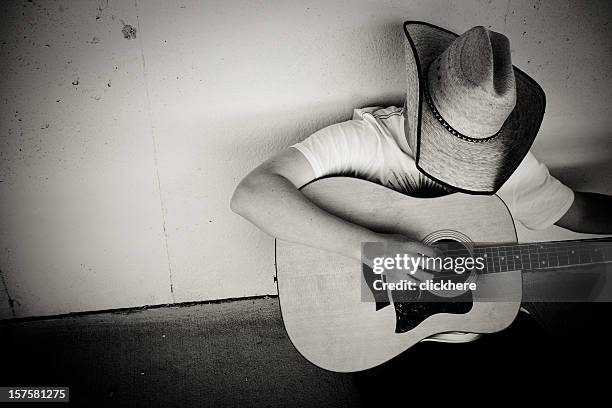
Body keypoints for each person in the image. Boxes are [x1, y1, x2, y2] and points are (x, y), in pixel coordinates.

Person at [230, 22, 612, 343]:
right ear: (419, 105)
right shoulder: (362, 140)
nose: (462, 160)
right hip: (380, 338)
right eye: (451, 144)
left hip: (481, 330)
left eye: (473, 149)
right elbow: (253, 194)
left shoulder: (506, 160)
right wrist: (375, 251)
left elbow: (577, 212)